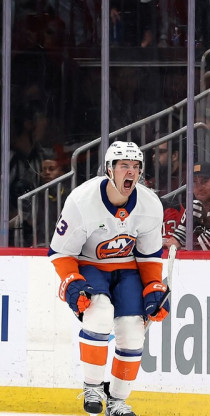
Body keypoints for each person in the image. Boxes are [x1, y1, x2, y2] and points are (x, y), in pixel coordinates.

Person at [49, 141, 168, 416]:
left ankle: (117, 401)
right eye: (124, 166)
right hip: (90, 264)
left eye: (136, 167)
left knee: (132, 333)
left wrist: (153, 288)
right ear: (108, 169)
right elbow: (60, 251)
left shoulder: (150, 205)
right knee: (99, 313)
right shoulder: (82, 200)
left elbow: (149, 257)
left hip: (127, 269)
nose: (131, 172)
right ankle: (92, 387)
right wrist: (73, 281)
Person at [164, 162, 210, 251]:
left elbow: (208, 248)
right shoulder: (193, 206)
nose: (199, 187)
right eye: (194, 182)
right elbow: (177, 239)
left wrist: (179, 246)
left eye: (204, 181)